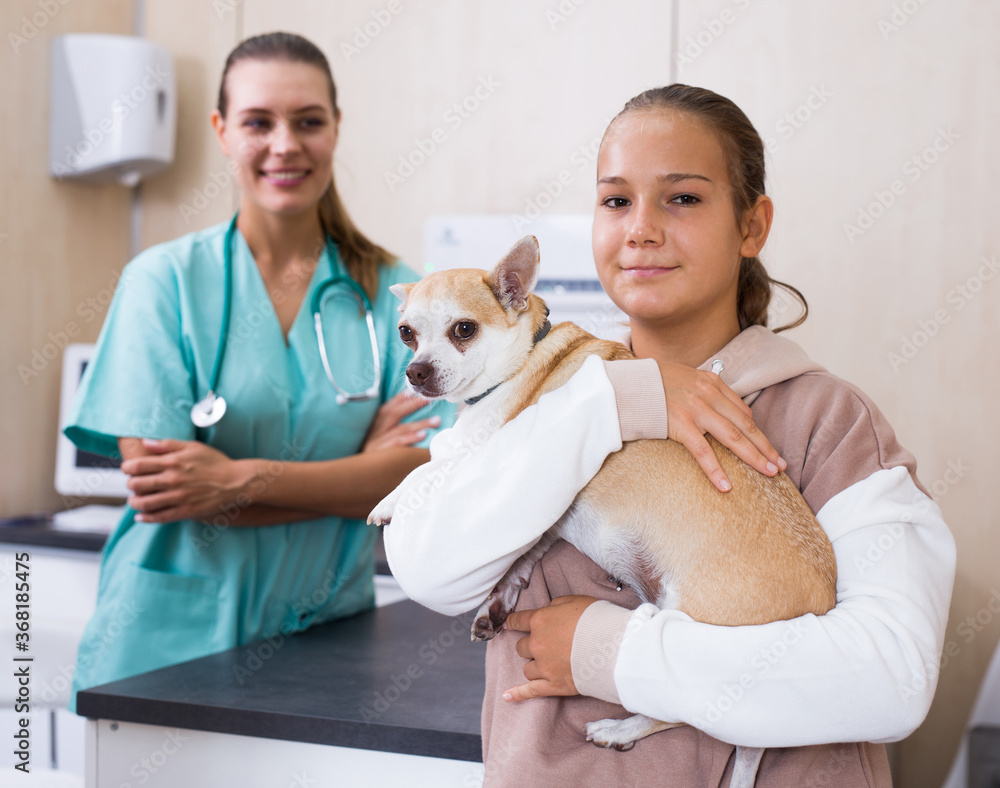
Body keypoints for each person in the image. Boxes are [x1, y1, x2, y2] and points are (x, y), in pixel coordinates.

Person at [382, 84, 955, 786]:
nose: (641, 229)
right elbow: (426, 569)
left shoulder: (829, 424)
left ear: (753, 226)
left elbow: (891, 677)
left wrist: (611, 654)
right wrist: (615, 401)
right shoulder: (539, 396)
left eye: (682, 198)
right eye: (616, 200)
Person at [65, 32, 453, 711]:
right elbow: (168, 491)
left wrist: (237, 480)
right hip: (162, 647)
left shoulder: (401, 296)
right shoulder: (164, 282)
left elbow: (427, 474)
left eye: (308, 121)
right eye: (257, 122)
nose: (285, 144)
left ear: (335, 128)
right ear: (221, 131)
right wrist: (355, 478)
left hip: (324, 644)